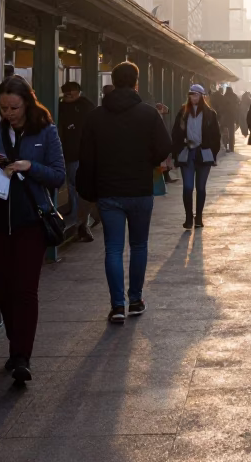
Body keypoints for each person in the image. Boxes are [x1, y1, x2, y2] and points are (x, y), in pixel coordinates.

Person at [0, 76, 65, 383]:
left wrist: (28, 166)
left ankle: (22, 355)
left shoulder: (45, 132)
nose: (9, 113)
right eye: (3, 107)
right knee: (5, 288)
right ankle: (16, 343)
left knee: (26, 290)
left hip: (31, 221)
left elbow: (58, 176)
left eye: (14, 106)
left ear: (27, 101)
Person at [77, 62, 172, 324]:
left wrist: (90, 188)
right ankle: (136, 299)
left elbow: (86, 156)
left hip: (109, 192)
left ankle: (117, 306)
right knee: (139, 245)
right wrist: (147, 161)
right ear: (136, 83)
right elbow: (165, 146)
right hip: (140, 190)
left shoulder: (96, 116)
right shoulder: (149, 114)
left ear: (113, 82)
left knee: (113, 249)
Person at [171, 84, 221, 229]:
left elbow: (216, 136)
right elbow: (175, 133)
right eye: (191, 95)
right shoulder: (183, 112)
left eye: (196, 95)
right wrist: (176, 153)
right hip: (187, 153)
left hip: (203, 153)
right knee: (187, 187)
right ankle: (188, 217)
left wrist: (213, 152)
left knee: (200, 187)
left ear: (202, 96)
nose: (193, 97)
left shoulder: (210, 114)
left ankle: (198, 216)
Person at [58, 81, 99, 242]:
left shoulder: (86, 106)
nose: (68, 95)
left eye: (71, 92)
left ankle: (80, 221)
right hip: (66, 154)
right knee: (74, 187)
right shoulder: (63, 107)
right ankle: (82, 220)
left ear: (78, 92)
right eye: (66, 92)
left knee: (77, 187)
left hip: (79, 155)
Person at [220, 85, 241, 153]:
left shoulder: (224, 97)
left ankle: (226, 146)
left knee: (225, 132)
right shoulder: (235, 96)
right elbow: (238, 107)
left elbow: (221, 108)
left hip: (225, 118)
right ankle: (231, 147)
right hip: (232, 118)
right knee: (232, 133)